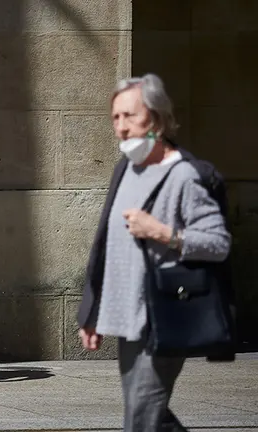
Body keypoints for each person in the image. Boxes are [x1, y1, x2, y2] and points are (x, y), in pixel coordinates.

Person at [77, 74, 231, 431]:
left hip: (162, 315)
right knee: (151, 414)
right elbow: (105, 244)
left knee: (141, 418)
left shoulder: (184, 176)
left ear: (158, 119)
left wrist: (163, 233)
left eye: (130, 116)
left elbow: (218, 243)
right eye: (115, 118)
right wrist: (93, 310)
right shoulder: (126, 170)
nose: (121, 127)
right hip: (125, 315)